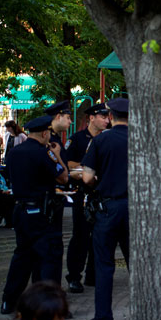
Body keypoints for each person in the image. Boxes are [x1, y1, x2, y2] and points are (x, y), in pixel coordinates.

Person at [1, 115, 68, 315]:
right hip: (42, 212)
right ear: (45, 133)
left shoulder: (14, 153)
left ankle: (9, 300)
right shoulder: (43, 153)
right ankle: (48, 305)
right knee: (49, 257)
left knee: (22, 255)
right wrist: (56, 156)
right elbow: (63, 178)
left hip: (20, 210)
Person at [80, 98, 129, 320]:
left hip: (108, 208)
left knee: (104, 264)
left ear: (111, 116)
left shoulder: (101, 140)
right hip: (137, 210)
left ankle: (103, 319)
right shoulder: (145, 141)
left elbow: (87, 178)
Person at [64, 103, 110, 293]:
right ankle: (74, 276)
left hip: (103, 194)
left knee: (101, 237)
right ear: (92, 118)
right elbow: (67, 162)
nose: (107, 120)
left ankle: (93, 274)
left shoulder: (109, 138)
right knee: (80, 237)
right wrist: (87, 167)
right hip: (83, 194)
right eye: (103, 116)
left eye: (108, 117)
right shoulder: (78, 139)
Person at [44, 101, 73, 165]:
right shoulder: (46, 138)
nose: (70, 122)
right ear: (58, 117)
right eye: (68, 118)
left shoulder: (55, 136)